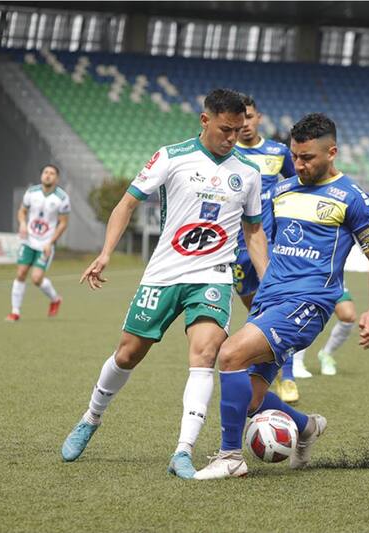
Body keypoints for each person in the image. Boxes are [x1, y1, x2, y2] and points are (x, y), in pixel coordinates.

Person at [61, 89, 269, 479]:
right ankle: (91, 418)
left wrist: (269, 281)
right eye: (225, 129)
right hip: (164, 273)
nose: (231, 137)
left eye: (238, 131)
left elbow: (254, 231)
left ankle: (183, 451)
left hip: (212, 277)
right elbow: (126, 204)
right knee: (127, 354)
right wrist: (106, 252)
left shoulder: (249, 173)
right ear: (205, 120)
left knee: (206, 354)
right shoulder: (171, 157)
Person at [194, 113, 369, 480]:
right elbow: (259, 239)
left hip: (308, 305)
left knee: (230, 354)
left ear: (331, 152)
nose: (298, 165)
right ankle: (307, 427)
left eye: (307, 158)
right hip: (271, 301)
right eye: (295, 156)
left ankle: (230, 456)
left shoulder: (352, 198)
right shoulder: (282, 192)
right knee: (251, 401)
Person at [231, 95, 301, 402]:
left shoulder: (278, 152)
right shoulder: (228, 153)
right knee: (257, 313)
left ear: (259, 117)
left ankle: (287, 377)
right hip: (235, 250)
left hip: (271, 246)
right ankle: (261, 369)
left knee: (277, 310)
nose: (245, 124)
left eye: (249, 117)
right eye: (240, 118)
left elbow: (298, 184)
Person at [6, 164, 69, 322]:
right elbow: (22, 211)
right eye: (45, 172)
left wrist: (51, 242)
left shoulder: (62, 198)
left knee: (36, 278)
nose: (48, 175)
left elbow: (63, 223)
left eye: (52, 173)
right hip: (29, 241)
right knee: (21, 273)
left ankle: (55, 299)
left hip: (46, 243)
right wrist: (22, 223)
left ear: (57, 178)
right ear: (41, 175)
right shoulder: (31, 192)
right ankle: (15, 312)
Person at [290, 292, 357, 378]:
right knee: (307, 312)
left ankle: (326, 354)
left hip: (334, 285)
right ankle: (296, 361)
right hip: (309, 284)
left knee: (348, 316)